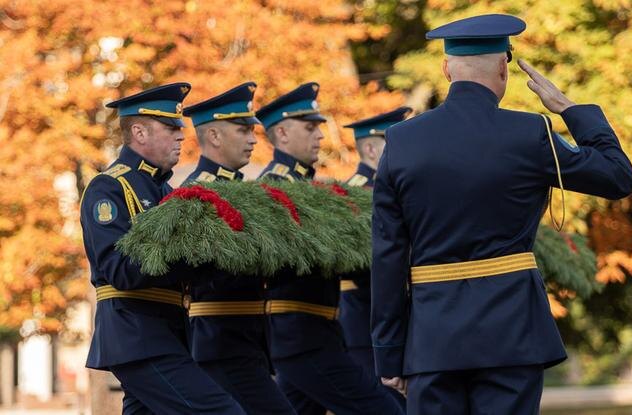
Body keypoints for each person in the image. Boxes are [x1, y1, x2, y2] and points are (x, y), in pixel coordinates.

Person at [370, 14, 632, 414]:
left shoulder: (401, 141)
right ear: (503, 67)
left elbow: (388, 255)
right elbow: (617, 177)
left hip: (432, 339)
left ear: (446, 70)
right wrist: (569, 108)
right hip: (512, 333)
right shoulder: (530, 133)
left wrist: (390, 353)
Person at [81, 83, 245, 414]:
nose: (181, 136)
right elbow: (119, 269)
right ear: (138, 132)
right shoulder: (111, 186)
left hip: (164, 333)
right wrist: (188, 252)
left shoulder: (165, 189)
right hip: (138, 336)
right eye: (170, 128)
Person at [256, 83, 404, 415]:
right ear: (281, 134)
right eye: (309, 128)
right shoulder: (276, 187)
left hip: (313, 330)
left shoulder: (305, 186)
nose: (319, 136)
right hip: (300, 334)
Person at [181, 82, 296, 414]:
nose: (252, 139)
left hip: (247, 341)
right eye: (243, 130)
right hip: (220, 342)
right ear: (214, 137)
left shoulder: (246, 192)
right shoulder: (196, 194)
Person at [339, 107, 412, 410]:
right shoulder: (352, 194)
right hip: (364, 319)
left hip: (396, 316)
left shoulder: (398, 188)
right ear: (370, 148)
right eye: (394, 141)